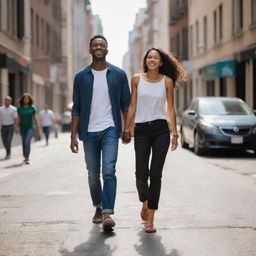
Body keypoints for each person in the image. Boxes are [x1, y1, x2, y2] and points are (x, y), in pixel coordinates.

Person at [70, 35, 130, 231]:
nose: (98, 47)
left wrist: (128, 128)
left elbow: (125, 105)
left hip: (110, 129)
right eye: (95, 45)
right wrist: (73, 136)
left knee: (109, 171)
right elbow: (77, 108)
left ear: (107, 49)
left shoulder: (119, 75)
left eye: (102, 45)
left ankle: (107, 213)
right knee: (93, 174)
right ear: (90, 49)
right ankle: (97, 206)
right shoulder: (80, 77)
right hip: (88, 132)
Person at [122, 47, 185, 233]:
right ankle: (145, 201)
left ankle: (151, 217)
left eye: (155, 57)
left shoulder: (167, 81)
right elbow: (132, 105)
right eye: (149, 57)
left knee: (156, 174)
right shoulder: (136, 79)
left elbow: (171, 108)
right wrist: (126, 128)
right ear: (146, 60)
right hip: (141, 130)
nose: (152, 60)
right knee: (141, 174)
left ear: (161, 62)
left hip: (160, 130)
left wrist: (175, 133)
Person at [17, 93, 40, 164]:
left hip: (30, 127)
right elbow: (19, 118)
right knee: (24, 142)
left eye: (27, 99)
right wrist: (17, 127)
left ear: (29, 100)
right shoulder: (19, 108)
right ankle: (25, 156)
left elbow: (35, 118)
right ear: (22, 100)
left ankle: (27, 157)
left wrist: (38, 128)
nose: (26, 100)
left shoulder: (32, 108)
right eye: (25, 99)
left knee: (27, 141)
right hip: (22, 128)